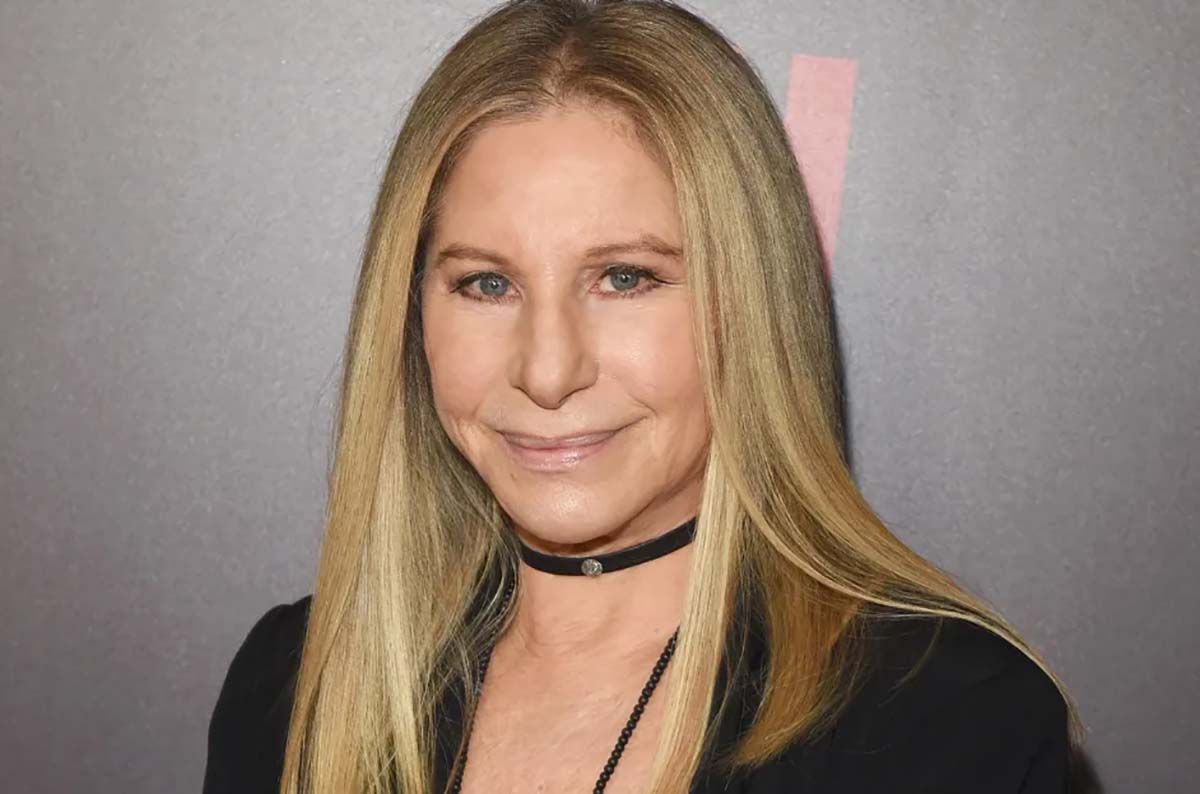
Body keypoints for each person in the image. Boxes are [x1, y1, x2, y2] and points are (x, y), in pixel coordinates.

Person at [202, 1, 1084, 792]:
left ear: (751, 306)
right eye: (486, 284)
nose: (548, 371)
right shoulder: (296, 686)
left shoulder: (947, 724)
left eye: (624, 277)